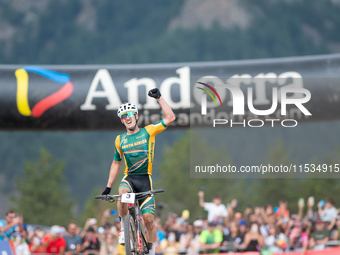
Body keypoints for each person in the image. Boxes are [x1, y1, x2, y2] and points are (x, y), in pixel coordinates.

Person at [101, 88, 176, 255]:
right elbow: (115, 163)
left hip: (144, 181)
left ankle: (151, 250)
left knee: (149, 220)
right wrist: (108, 187)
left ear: (136, 116)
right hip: (129, 179)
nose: (127, 118)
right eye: (123, 116)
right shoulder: (120, 140)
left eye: (130, 114)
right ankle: (123, 229)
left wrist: (160, 98)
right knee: (122, 194)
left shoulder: (148, 131)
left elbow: (170, 118)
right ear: (122, 121)